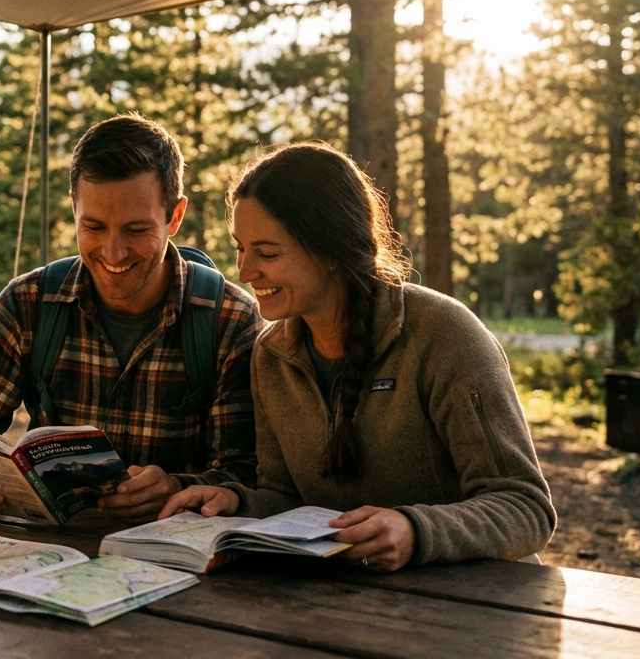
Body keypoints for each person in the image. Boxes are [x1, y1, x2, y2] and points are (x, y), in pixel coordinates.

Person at [161, 142, 556, 571]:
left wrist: (415, 530)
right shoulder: (271, 356)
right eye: (240, 248)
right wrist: (236, 501)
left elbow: (526, 508)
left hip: (480, 599)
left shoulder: (443, 336)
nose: (244, 271)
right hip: (352, 599)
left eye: (267, 253)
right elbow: (287, 499)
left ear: (331, 251)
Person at [0, 114, 264, 524]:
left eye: (136, 230)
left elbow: (251, 474)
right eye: (93, 226)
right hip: (50, 547)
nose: (113, 252)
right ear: (74, 208)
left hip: (177, 553)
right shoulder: (28, 303)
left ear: (175, 216)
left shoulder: (230, 322)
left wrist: (178, 487)